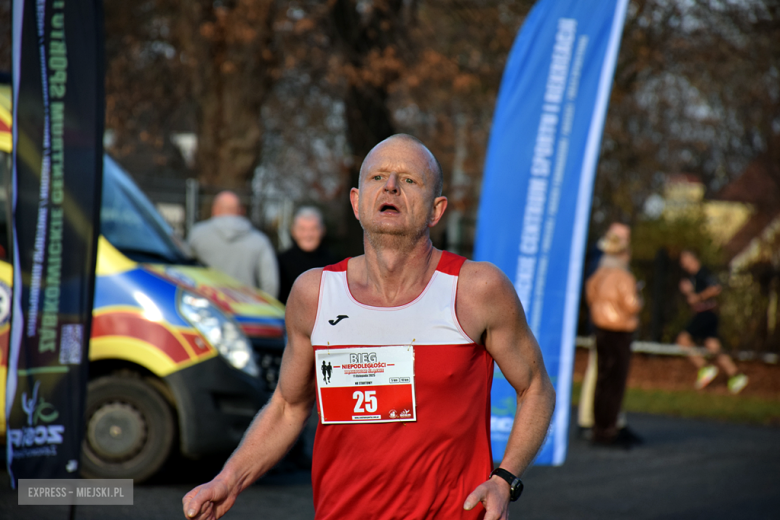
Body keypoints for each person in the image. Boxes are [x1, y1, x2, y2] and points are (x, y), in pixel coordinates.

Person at [182, 134, 556, 520]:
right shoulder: (314, 294)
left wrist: (505, 479)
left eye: (409, 179)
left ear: (436, 210)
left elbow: (536, 388)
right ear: (357, 202)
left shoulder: (477, 289)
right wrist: (228, 480)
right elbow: (288, 407)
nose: (391, 186)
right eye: (378, 177)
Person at [585, 226, 643, 448]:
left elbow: (590, 296)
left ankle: (599, 427)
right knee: (615, 383)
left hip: (601, 328)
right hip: (620, 330)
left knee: (602, 380)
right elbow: (631, 304)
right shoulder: (623, 276)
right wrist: (639, 298)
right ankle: (609, 429)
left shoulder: (599, 274)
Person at [577, 222, 632, 441]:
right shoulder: (604, 259)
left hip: (606, 321)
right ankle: (591, 419)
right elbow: (595, 290)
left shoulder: (608, 259)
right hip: (606, 324)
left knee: (607, 374)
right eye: (623, 237)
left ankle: (608, 419)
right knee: (600, 372)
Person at [676, 249, 748, 393]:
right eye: (682, 262)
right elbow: (694, 300)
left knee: (682, 340)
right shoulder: (693, 277)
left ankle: (705, 368)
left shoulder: (702, 273)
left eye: (686, 259)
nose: (684, 264)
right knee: (712, 345)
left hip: (706, 314)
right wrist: (689, 292)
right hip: (707, 314)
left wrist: (698, 297)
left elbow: (715, 288)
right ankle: (736, 375)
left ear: (694, 258)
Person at [188, 191, 279, 298]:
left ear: (215, 209)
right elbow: (270, 283)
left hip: (206, 301)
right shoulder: (260, 240)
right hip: (245, 304)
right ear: (240, 210)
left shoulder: (197, 234)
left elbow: (184, 269)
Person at [277, 206, 336, 304]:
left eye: (313, 229)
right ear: (293, 231)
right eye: (302, 229)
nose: (308, 235)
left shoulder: (334, 263)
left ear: (323, 230)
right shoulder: (280, 262)